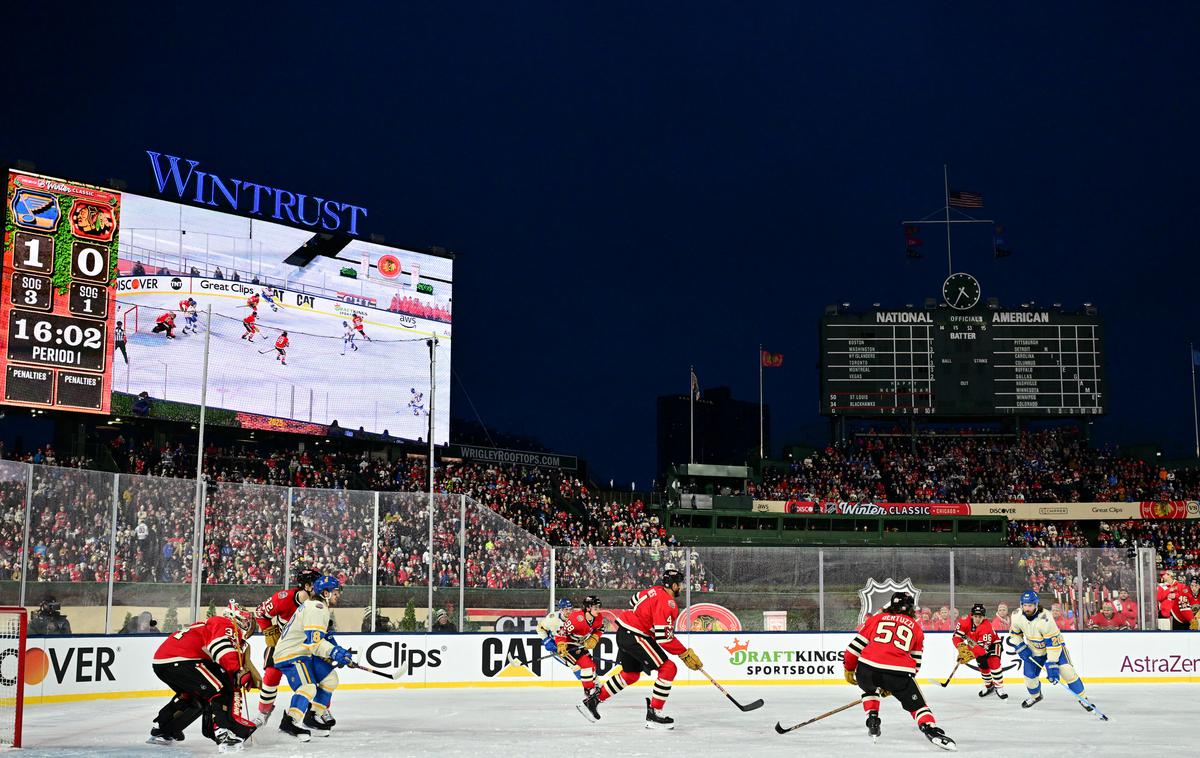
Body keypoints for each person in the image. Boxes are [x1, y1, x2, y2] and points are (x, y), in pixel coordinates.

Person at [579, 567, 702, 729]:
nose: (681, 587)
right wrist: (683, 653)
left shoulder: (653, 590)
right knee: (668, 668)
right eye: (679, 584)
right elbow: (664, 638)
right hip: (636, 635)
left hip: (624, 632)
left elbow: (633, 600)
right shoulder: (668, 603)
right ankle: (654, 714)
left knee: (630, 675)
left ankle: (592, 701)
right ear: (672, 585)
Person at [844, 591, 955, 750]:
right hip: (897, 674)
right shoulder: (916, 627)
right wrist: (894, 685)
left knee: (869, 688)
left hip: (866, 670)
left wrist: (849, 668)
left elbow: (853, 650)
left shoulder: (876, 618)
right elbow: (915, 665)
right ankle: (930, 729)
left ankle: (872, 718)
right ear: (910, 608)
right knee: (918, 706)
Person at [148, 601, 258, 750]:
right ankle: (224, 733)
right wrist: (236, 670)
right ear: (234, 616)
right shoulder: (225, 623)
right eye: (245, 620)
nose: (247, 624)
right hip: (183, 660)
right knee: (220, 689)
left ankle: (164, 730)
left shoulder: (208, 625)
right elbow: (221, 647)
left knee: (196, 697)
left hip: (164, 662)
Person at [272, 575, 356, 741]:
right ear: (325, 593)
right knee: (308, 687)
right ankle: (290, 721)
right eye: (335, 592)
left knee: (330, 679)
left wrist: (339, 652)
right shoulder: (316, 607)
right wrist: (335, 653)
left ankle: (313, 716)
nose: (338, 595)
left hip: (304, 652)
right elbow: (315, 643)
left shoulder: (317, 607)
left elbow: (323, 639)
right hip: (291, 654)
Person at [1009, 590, 1096, 712]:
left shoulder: (1045, 619)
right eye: (1025, 605)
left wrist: (1052, 664)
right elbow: (1014, 634)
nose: (1027, 608)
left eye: (1030, 605)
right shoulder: (1016, 616)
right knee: (1029, 679)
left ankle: (1084, 699)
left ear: (1036, 605)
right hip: (1034, 650)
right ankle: (1036, 696)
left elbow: (1052, 644)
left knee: (1067, 672)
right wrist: (1020, 646)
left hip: (1055, 649)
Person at [253, 568, 320, 726]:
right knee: (271, 675)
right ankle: (263, 712)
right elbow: (259, 613)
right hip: (282, 645)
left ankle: (317, 711)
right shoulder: (283, 598)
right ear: (308, 586)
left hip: (305, 646)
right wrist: (269, 632)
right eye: (317, 585)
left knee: (320, 676)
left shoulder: (319, 603)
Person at [952, 603, 1005, 699]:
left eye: (980, 616)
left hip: (993, 644)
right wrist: (961, 648)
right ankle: (989, 686)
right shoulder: (964, 621)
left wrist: (968, 654)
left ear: (984, 617)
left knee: (994, 663)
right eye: (975, 616)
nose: (977, 619)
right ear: (971, 615)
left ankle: (999, 687)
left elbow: (982, 650)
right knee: (983, 666)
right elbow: (956, 637)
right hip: (976, 644)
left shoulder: (986, 626)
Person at [554, 595, 603, 695]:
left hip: (579, 644)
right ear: (588, 608)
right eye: (595, 608)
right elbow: (561, 632)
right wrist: (561, 644)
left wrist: (594, 637)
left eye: (599, 607)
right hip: (569, 645)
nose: (598, 610)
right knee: (587, 666)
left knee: (592, 666)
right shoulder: (576, 618)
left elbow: (600, 629)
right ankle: (589, 692)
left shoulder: (598, 617)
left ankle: (597, 686)